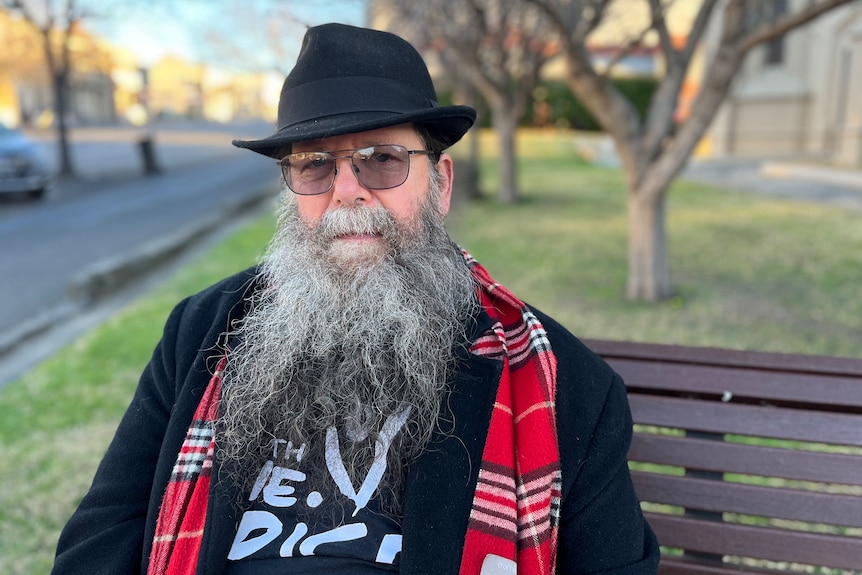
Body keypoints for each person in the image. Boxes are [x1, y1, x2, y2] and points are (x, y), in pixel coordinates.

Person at [52, 23, 659, 575]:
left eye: (383, 161)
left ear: (440, 184)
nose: (347, 193)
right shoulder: (203, 332)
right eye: (315, 166)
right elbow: (101, 538)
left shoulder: (560, 385)